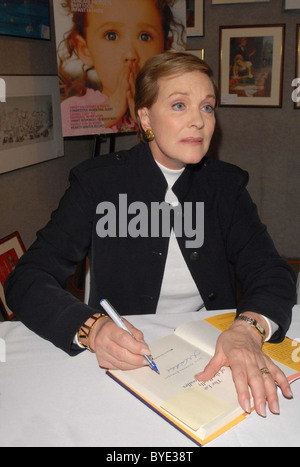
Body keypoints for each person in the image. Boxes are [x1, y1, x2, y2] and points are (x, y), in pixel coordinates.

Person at [5, 52, 295, 419]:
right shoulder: (98, 183)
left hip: (209, 350)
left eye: (207, 108)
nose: (198, 121)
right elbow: (26, 278)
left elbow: (270, 270)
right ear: (146, 118)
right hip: (124, 353)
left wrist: (248, 328)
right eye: (179, 105)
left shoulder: (225, 186)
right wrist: (90, 328)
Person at [57, 0, 185, 135]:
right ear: (84, 50)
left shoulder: (167, 106)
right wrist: (110, 111)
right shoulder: (73, 109)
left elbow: (173, 142)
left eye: (144, 36)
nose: (130, 54)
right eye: (111, 36)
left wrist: (144, 117)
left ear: (165, 48)